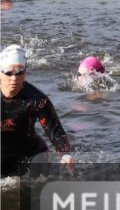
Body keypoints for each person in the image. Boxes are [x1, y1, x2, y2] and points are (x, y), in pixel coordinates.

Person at [1, 45, 73, 176]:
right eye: (8, 72)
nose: (14, 78)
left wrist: (65, 154)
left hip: (29, 156)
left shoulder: (37, 100)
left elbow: (56, 131)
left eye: (20, 72)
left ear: (25, 73)